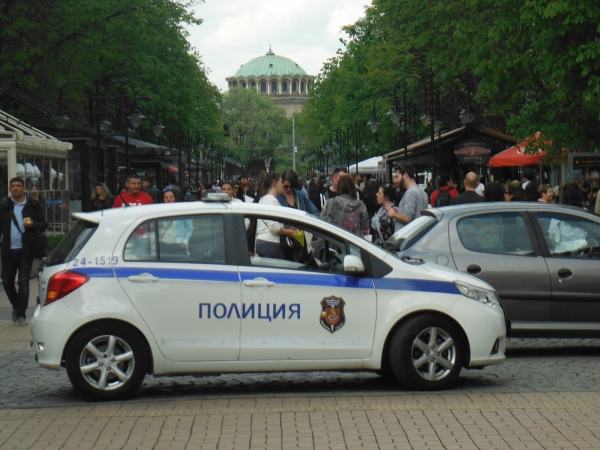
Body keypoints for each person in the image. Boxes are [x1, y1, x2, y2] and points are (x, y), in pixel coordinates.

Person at [0, 177, 48, 326]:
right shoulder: (4, 206)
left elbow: (43, 224)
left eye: (18, 186)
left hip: (26, 250)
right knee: (7, 281)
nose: (15, 188)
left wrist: (33, 224)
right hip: (8, 250)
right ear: (10, 189)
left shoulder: (33, 205)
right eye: (13, 186)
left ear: (23, 188)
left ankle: (21, 315)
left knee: (23, 282)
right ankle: (16, 305)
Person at [254, 172, 295, 258]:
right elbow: (274, 227)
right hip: (271, 243)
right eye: (281, 182)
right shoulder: (271, 201)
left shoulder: (263, 200)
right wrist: (289, 232)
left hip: (262, 242)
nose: (283, 185)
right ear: (274, 183)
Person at [386, 164, 429, 232]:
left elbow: (407, 217)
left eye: (397, 177)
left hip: (406, 235)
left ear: (405, 175)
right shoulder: (422, 192)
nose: (395, 181)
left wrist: (393, 214)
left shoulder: (410, 192)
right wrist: (400, 210)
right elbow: (416, 212)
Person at [158, 189, 193, 256]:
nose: (168, 199)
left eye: (171, 197)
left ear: (175, 198)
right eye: (166, 197)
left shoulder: (182, 211)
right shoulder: (159, 212)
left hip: (178, 245)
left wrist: (184, 242)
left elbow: (190, 229)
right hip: (163, 244)